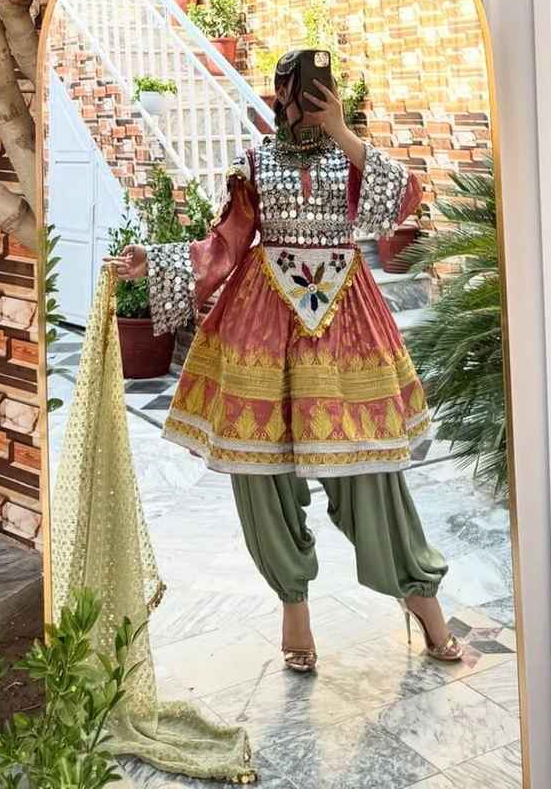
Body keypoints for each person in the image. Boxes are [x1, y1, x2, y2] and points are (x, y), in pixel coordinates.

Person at [106, 49, 463, 672]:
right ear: (280, 95)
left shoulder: (352, 158)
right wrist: (154, 260)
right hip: (262, 331)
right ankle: (293, 606)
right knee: (260, 473)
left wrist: (343, 132)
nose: (308, 103)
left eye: (320, 90)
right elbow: (223, 247)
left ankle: (419, 595)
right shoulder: (254, 164)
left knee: (372, 468)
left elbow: (403, 200)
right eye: (299, 92)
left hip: (346, 330)